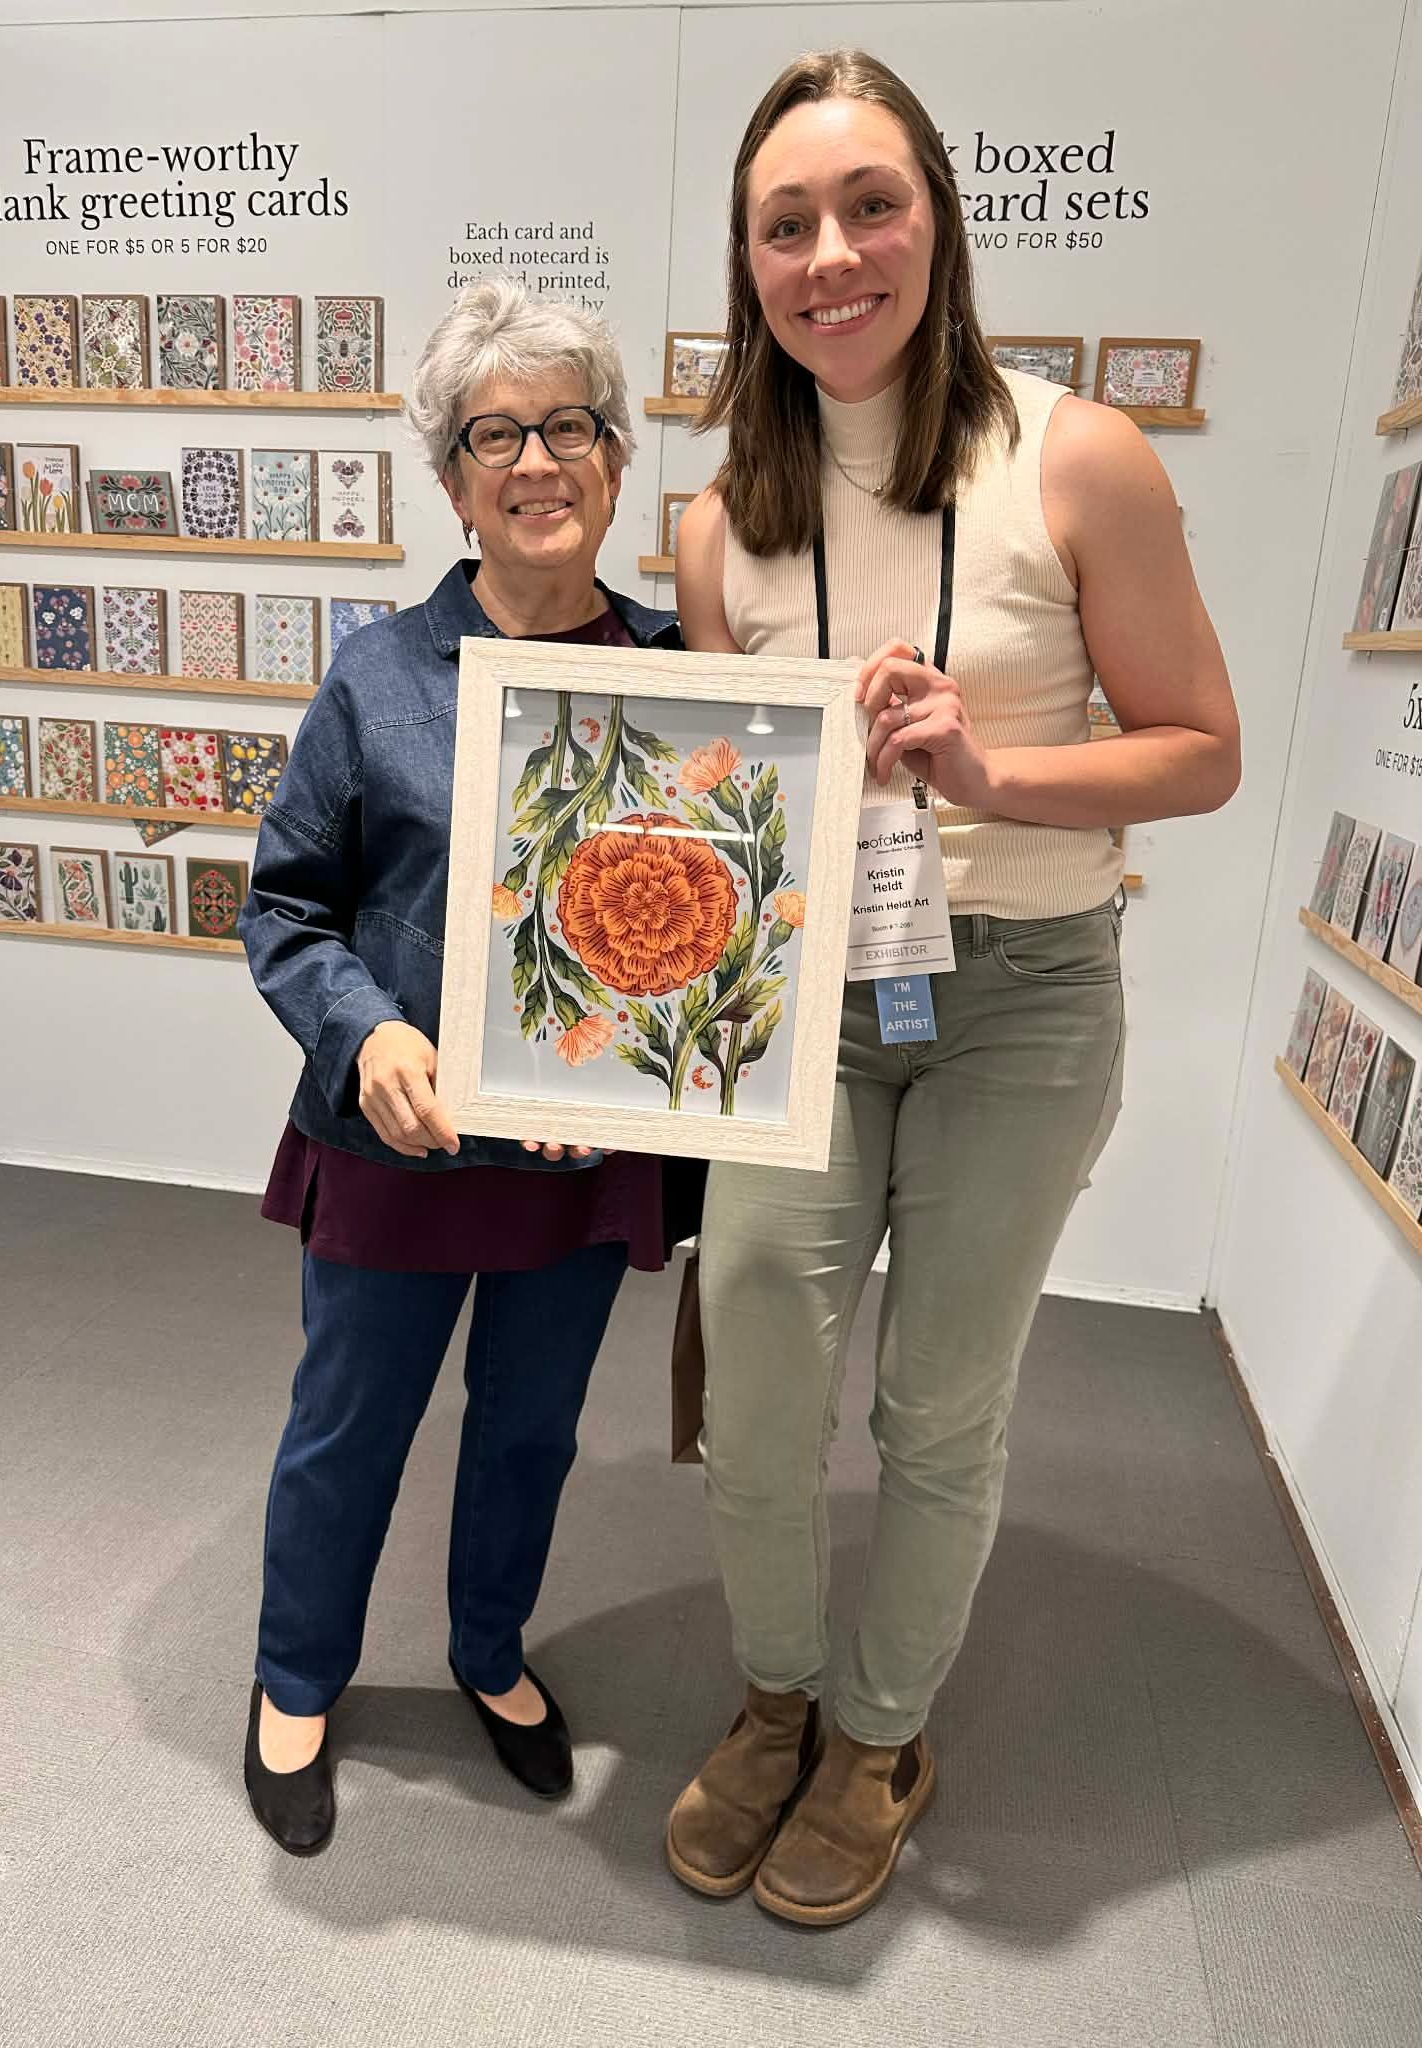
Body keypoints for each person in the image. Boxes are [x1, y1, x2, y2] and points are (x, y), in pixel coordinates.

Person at [664, 49, 1239, 1926]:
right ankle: (775, 1701)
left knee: (943, 1403)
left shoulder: (1074, 456)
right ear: (748, 261)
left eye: (871, 205)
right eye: (786, 223)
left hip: (1022, 990)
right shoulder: (714, 519)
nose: (833, 254)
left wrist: (990, 773)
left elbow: (1201, 748)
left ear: (939, 225)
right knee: (755, 1366)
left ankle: (883, 1734)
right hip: (805, 998)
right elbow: (718, 806)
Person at [239, 279, 696, 1857]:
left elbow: (720, 918)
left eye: (568, 425)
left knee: (531, 1428)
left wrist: (654, 1072)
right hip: (401, 1144)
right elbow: (286, 906)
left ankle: (488, 1650)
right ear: (453, 481)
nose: (536, 460)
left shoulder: (686, 674)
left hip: (583, 1154)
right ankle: (295, 1675)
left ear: (617, 460)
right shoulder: (376, 676)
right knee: (349, 1422)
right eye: (495, 434)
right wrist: (363, 1029)